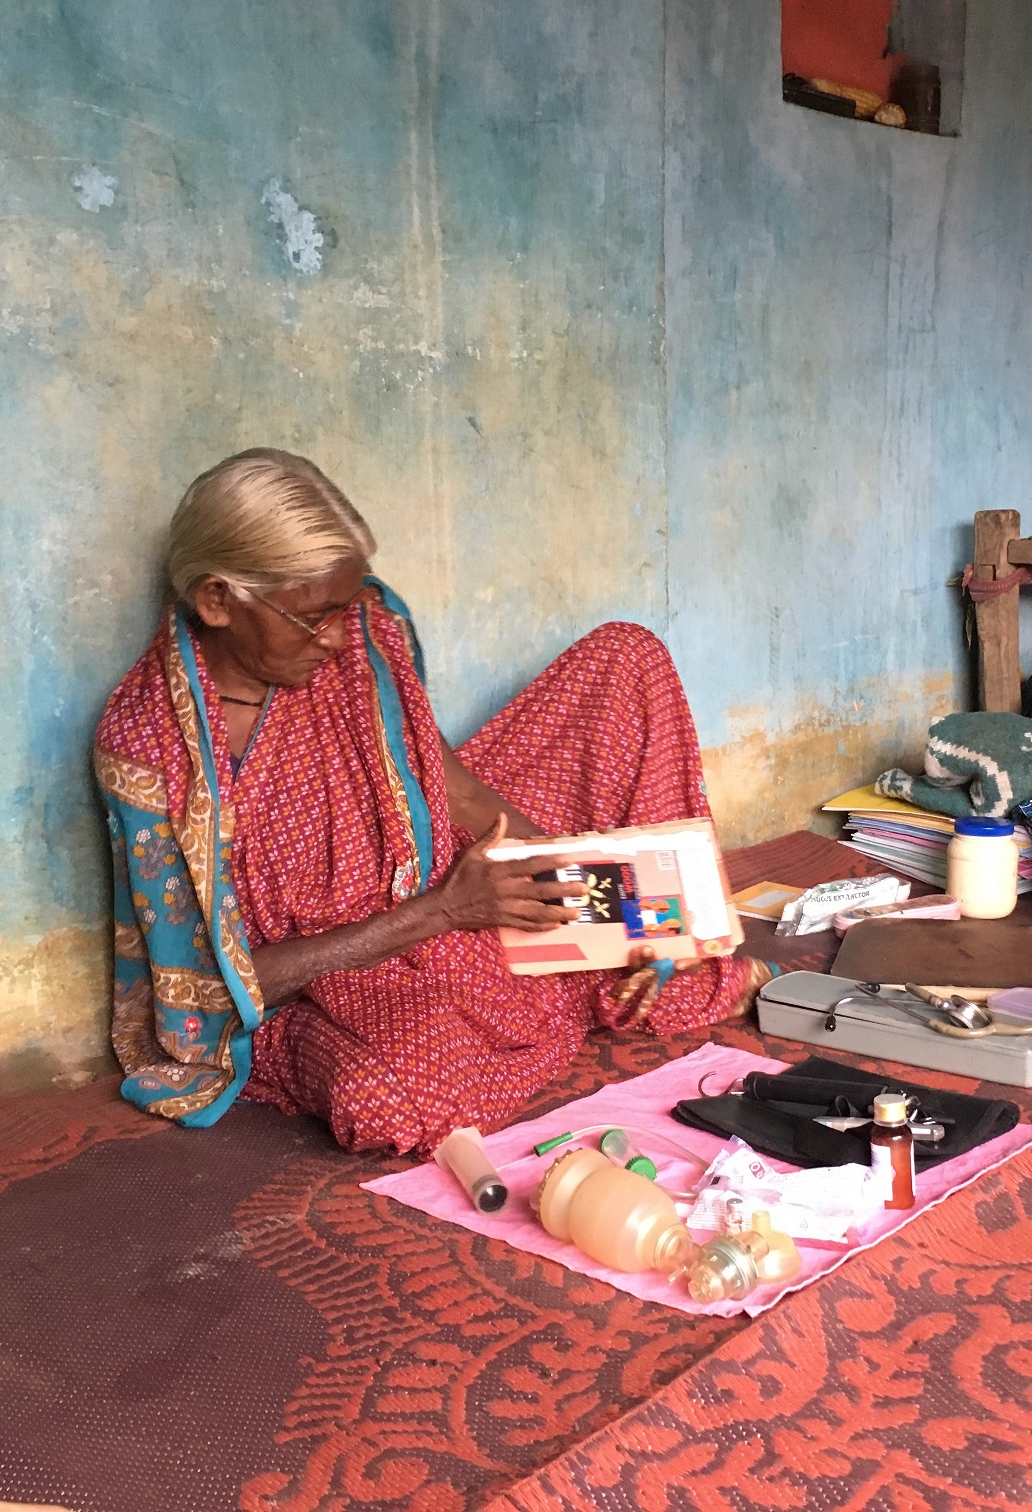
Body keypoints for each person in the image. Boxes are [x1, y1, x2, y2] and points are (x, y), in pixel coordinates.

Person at [93, 449, 769, 1154]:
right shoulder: (150, 751)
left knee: (625, 662)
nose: (334, 639)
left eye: (343, 611)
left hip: (435, 879)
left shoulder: (359, 633)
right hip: (330, 977)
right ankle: (567, 990)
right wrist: (445, 911)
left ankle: (593, 967)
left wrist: (600, 898)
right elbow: (207, 992)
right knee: (391, 1101)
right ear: (216, 600)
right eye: (311, 617)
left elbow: (449, 787)